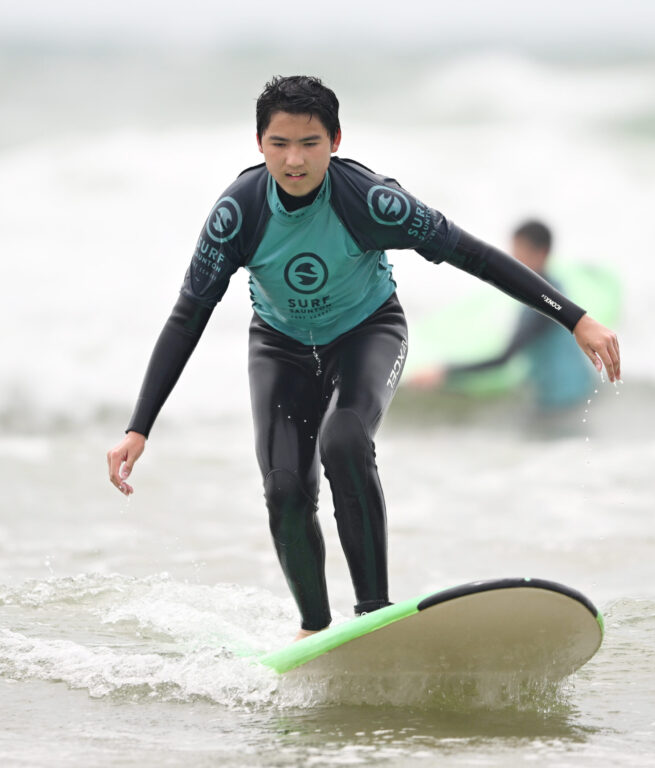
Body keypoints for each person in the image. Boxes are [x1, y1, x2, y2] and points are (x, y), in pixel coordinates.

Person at [107, 76, 620, 642]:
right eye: (280, 143)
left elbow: (471, 254)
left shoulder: (371, 201)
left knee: (346, 440)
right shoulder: (238, 214)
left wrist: (574, 317)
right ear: (259, 144)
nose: (295, 159)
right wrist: (139, 426)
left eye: (310, 143)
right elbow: (188, 315)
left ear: (335, 140)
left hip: (368, 332)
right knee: (283, 489)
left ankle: (374, 611)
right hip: (279, 347)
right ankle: (315, 632)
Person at [409, 219, 596, 409]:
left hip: (562, 401)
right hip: (577, 390)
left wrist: (446, 372)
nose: (511, 261)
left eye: (520, 252)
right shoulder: (553, 289)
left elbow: (504, 358)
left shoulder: (542, 308)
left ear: (542, 254)